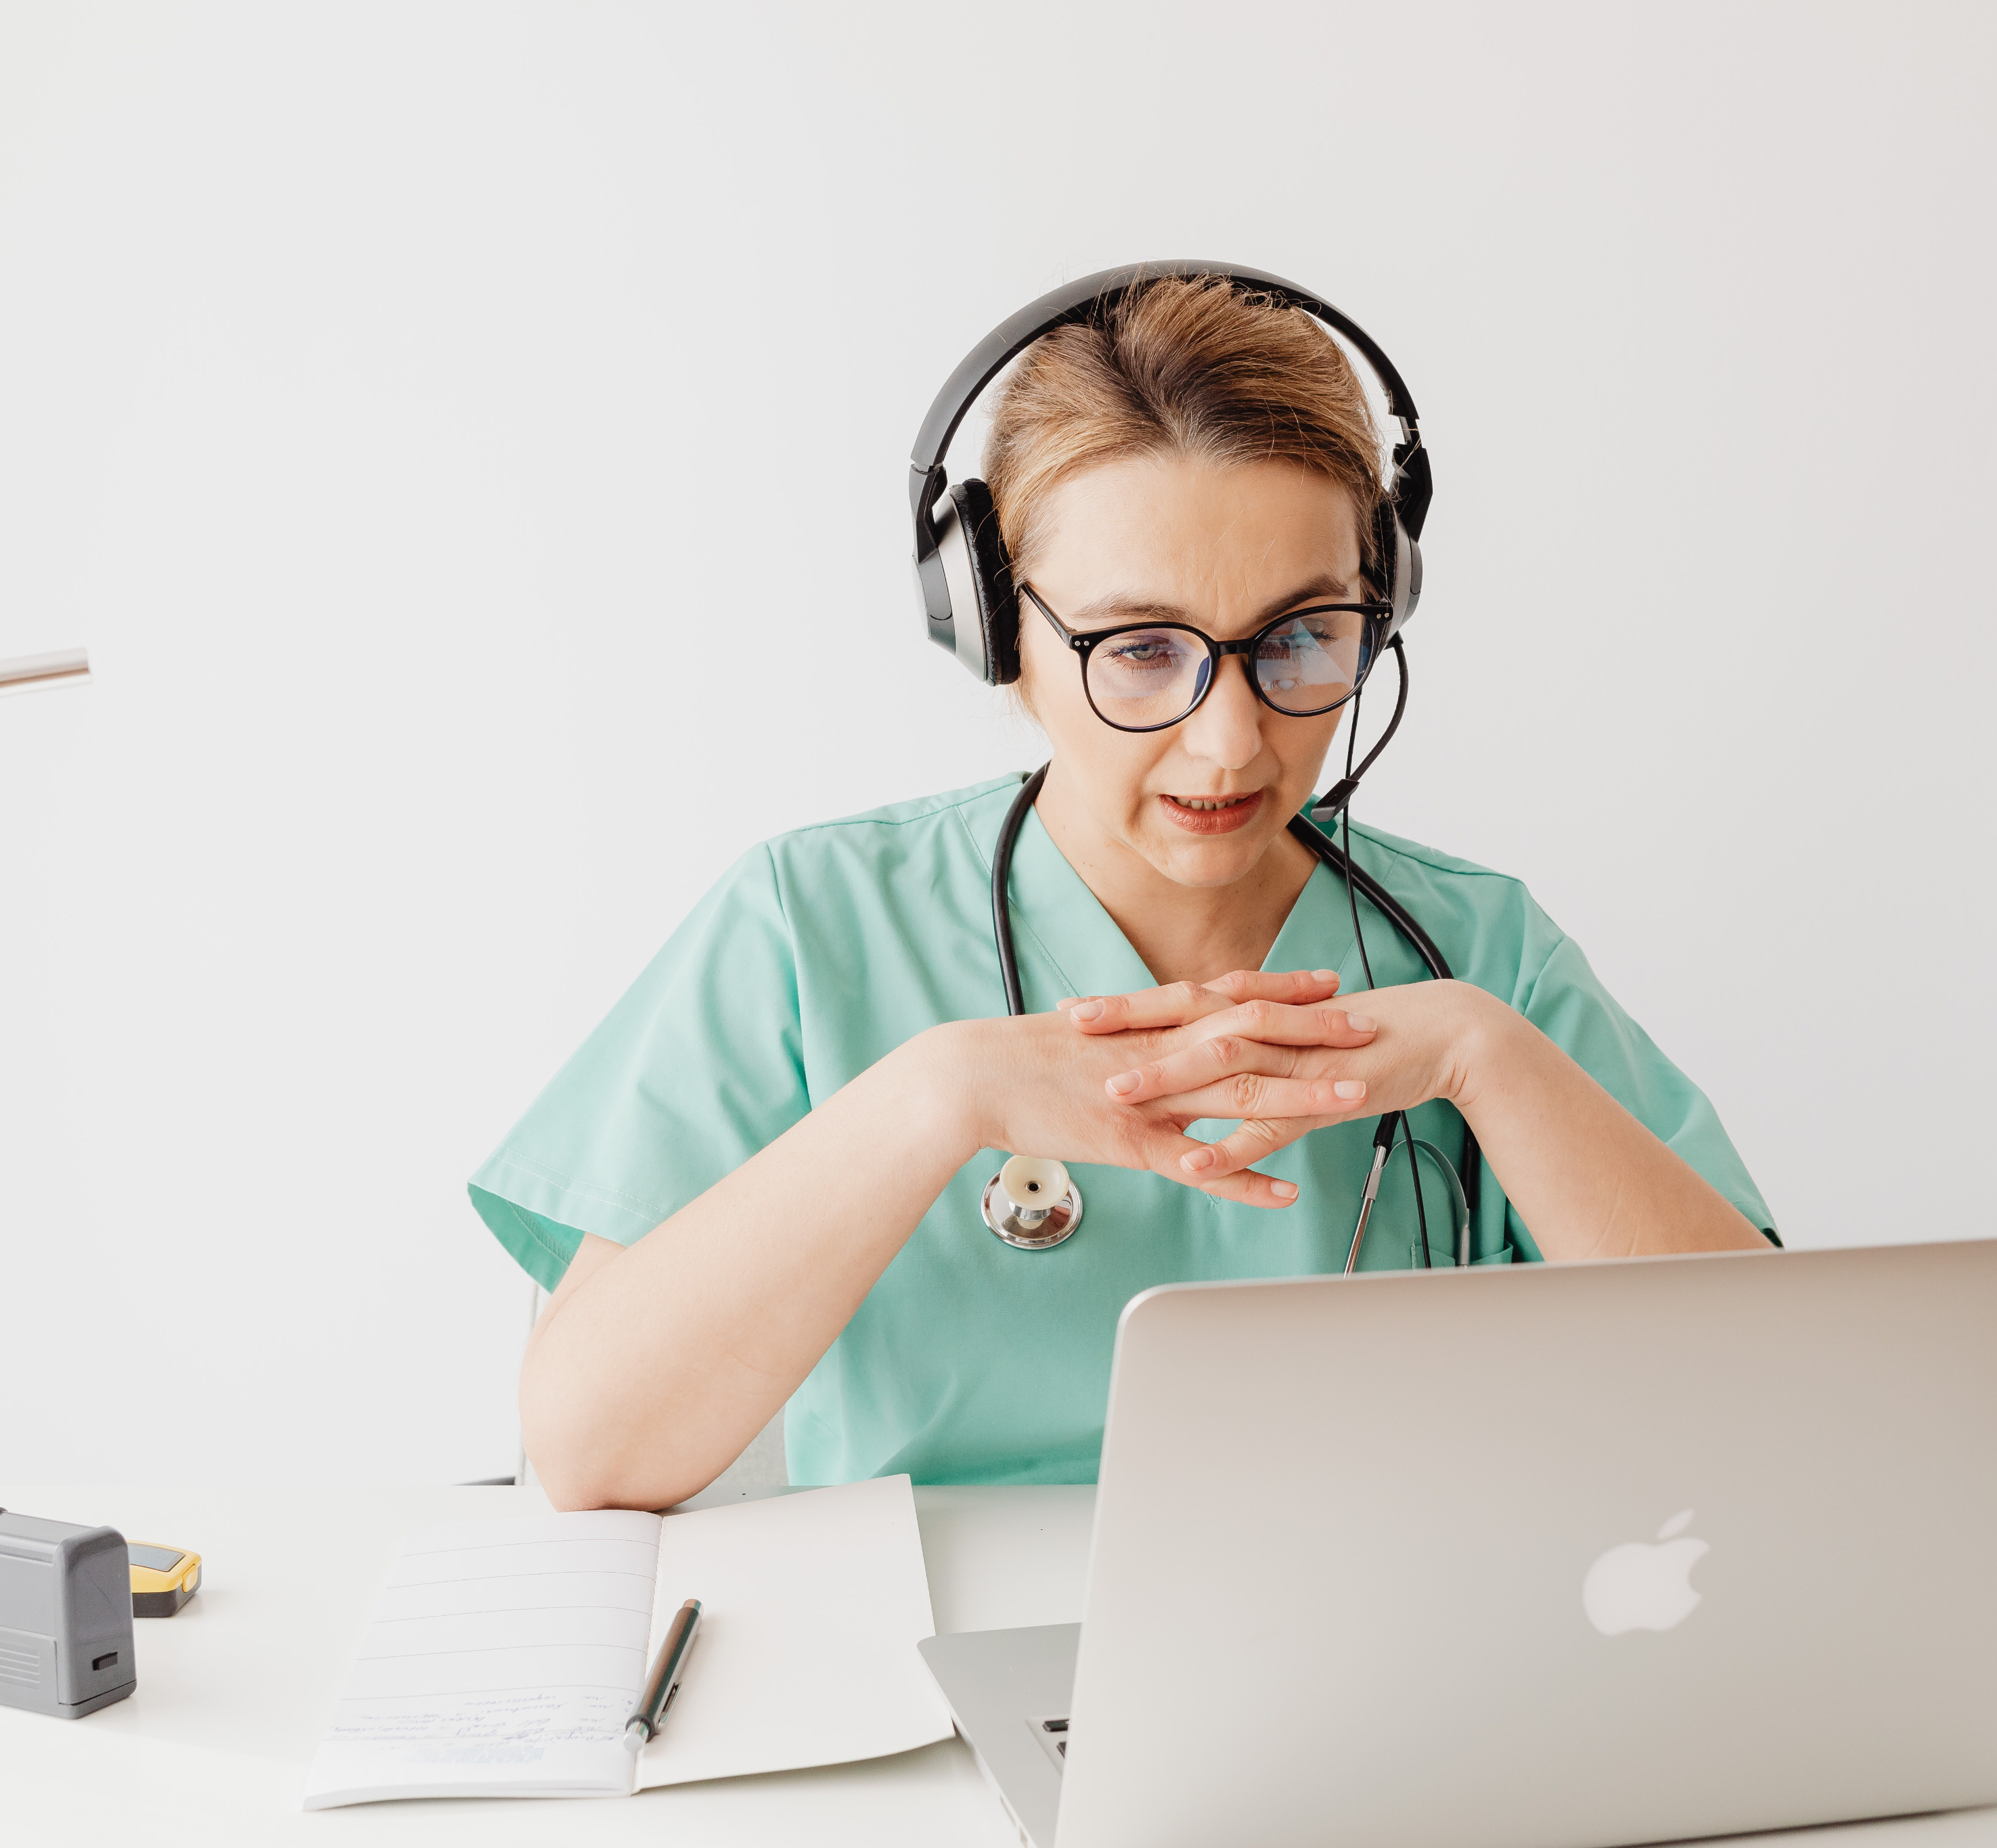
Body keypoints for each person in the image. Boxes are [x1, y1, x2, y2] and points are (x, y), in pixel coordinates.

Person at [474, 272, 1775, 1513]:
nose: (1230, 742)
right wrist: (939, 1097)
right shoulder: (809, 927)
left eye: (1301, 638)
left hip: (1388, 1643)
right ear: (997, 630)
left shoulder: (1480, 953)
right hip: (928, 1650)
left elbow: (1768, 1413)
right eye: (1142, 649)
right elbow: (592, 1454)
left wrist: (1489, 1061)